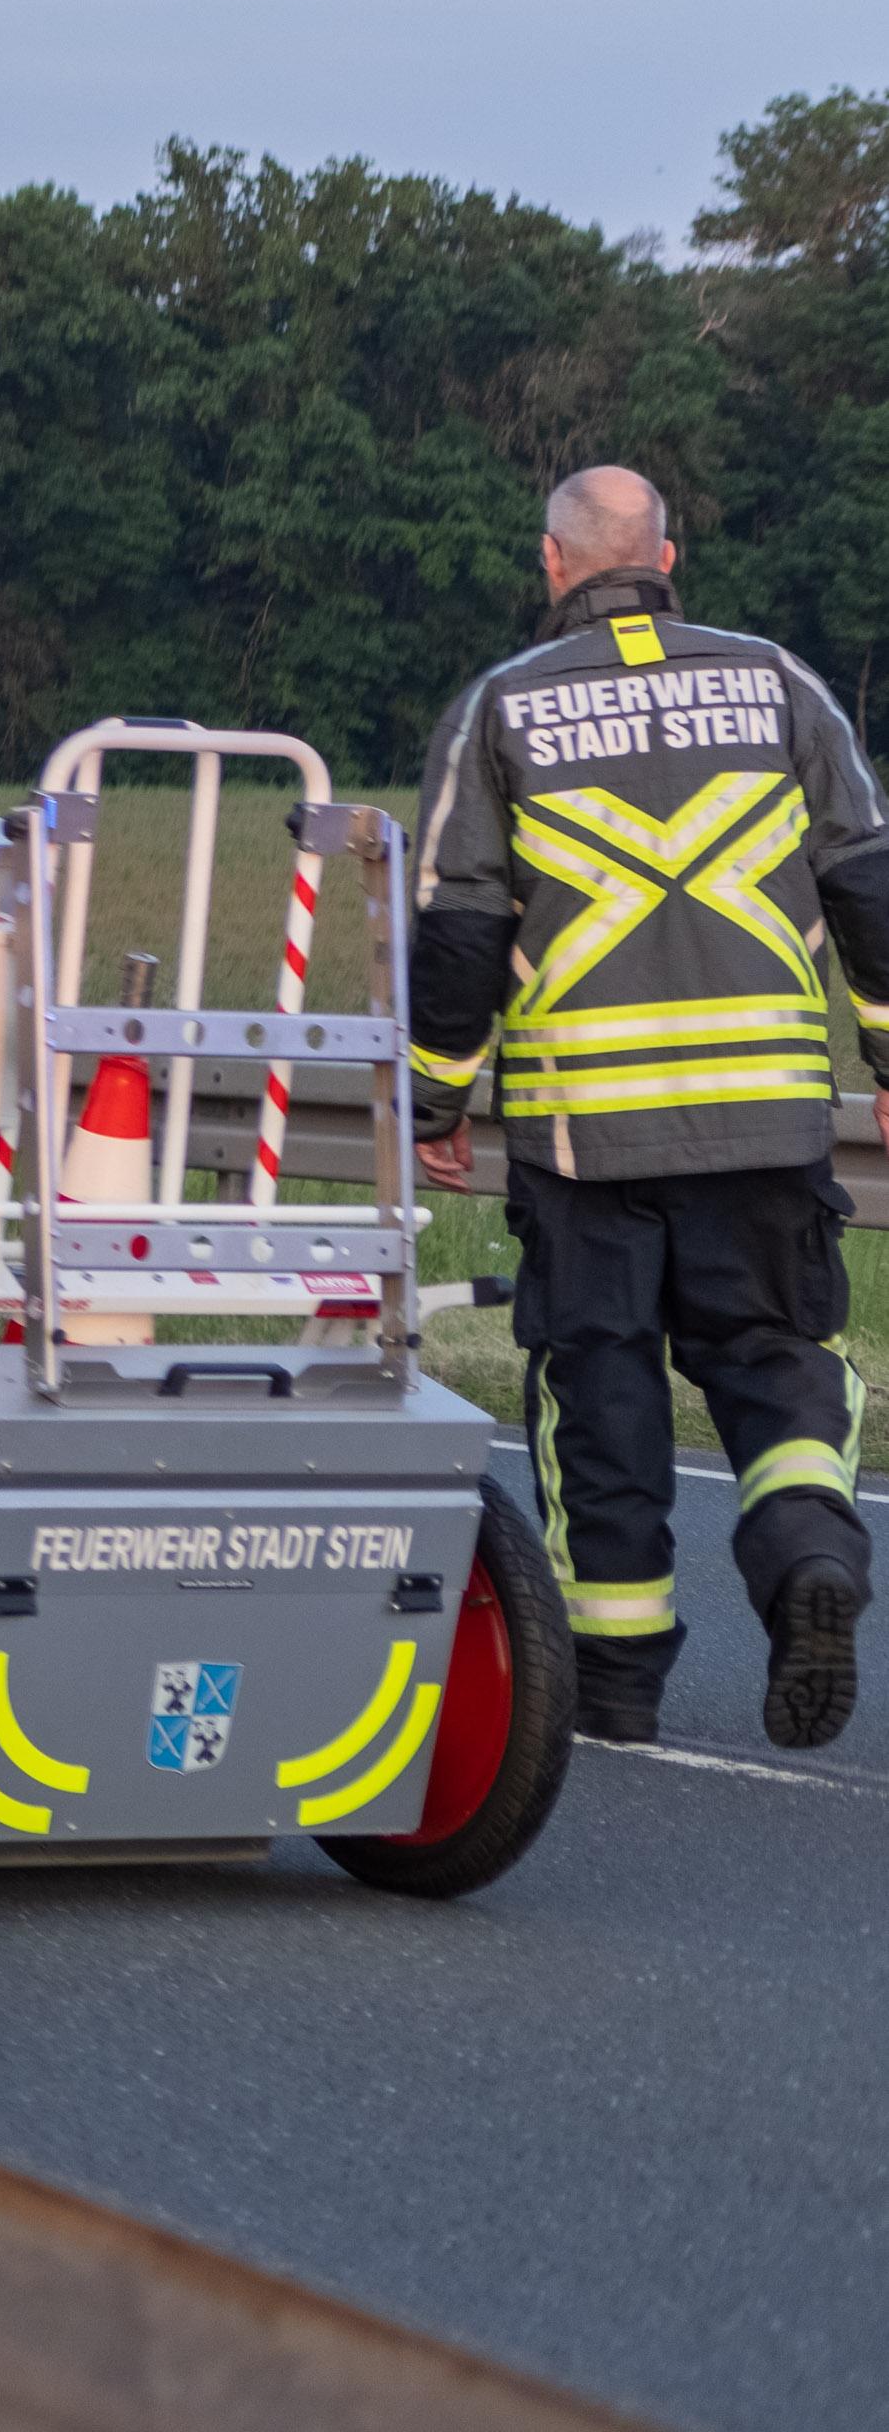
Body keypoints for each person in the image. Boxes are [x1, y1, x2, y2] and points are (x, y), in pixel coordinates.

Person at [408, 464, 889, 1751]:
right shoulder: (781, 680)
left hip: (589, 1136)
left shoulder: (499, 707)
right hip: (768, 1120)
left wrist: (437, 1097)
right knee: (780, 1361)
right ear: (667, 555)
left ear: (554, 563)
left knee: (601, 1391)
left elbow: (460, 927)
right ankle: (804, 1561)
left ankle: (615, 1689)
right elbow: (869, 881)